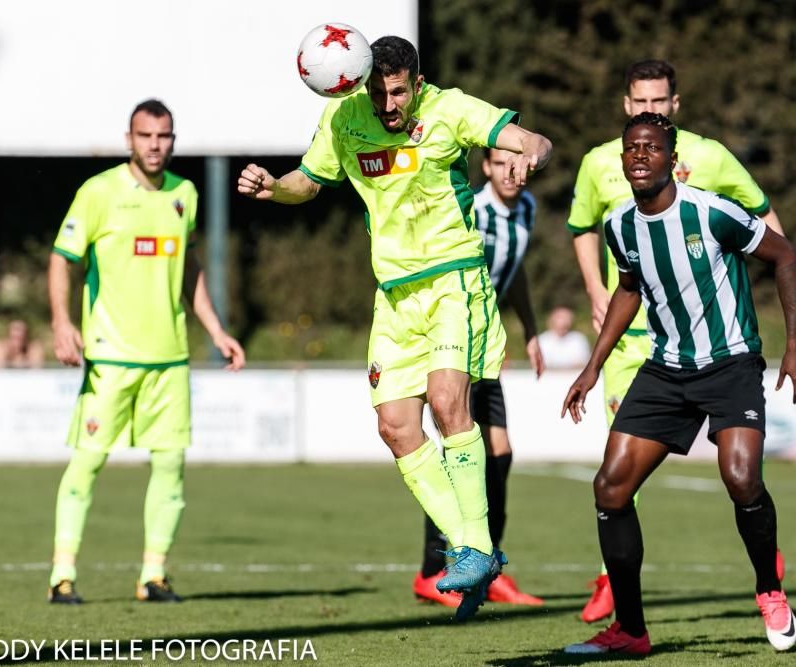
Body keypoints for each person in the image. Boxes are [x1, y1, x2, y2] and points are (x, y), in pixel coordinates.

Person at [237, 36, 552, 621]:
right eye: (377, 92)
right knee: (396, 427)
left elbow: (532, 139)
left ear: (418, 81)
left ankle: (477, 545)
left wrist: (529, 153)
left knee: (446, 400)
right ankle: (470, 549)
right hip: (395, 294)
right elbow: (309, 181)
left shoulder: (451, 108)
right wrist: (272, 188)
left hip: (454, 279)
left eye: (398, 91)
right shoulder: (343, 114)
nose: (387, 104)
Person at [561, 113, 796, 655]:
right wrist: (592, 366)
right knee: (610, 487)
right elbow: (629, 290)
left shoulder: (711, 211)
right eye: (631, 148)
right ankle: (630, 630)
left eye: (651, 148)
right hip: (666, 368)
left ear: (671, 158)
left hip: (731, 363)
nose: (640, 156)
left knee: (742, 478)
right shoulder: (620, 225)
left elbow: (785, 255)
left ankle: (769, 590)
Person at [47, 99, 245, 604]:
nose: (155, 145)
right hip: (110, 357)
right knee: (87, 462)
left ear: (173, 140)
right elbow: (62, 257)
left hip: (169, 357)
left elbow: (189, 269)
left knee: (170, 466)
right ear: (129, 139)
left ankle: (153, 575)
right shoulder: (98, 192)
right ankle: (62, 575)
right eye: (146, 136)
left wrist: (215, 331)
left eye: (164, 136)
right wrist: (62, 322)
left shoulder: (186, 194)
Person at [413, 147, 544, 609]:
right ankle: (435, 570)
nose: (512, 172)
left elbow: (516, 271)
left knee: (500, 456)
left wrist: (529, 330)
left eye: (519, 162)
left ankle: (485, 565)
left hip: (487, 338)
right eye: (501, 163)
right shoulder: (472, 207)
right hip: (457, 336)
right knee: (461, 449)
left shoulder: (526, 208)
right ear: (486, 168)